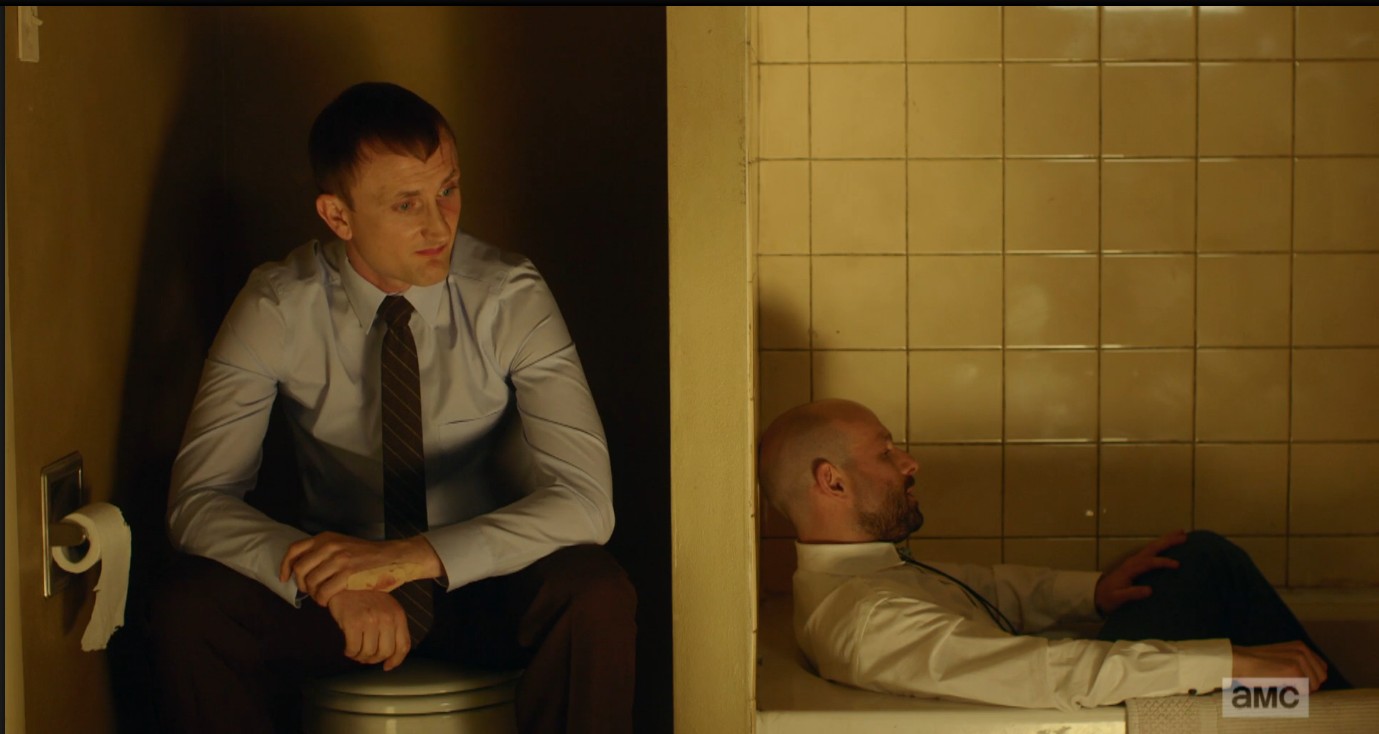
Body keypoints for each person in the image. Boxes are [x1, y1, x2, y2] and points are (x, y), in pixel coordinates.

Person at [152, 82, 635, 734]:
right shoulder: (278, 305)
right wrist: (328, 580)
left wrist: (412, 558)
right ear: (338, 216)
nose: (440, 225)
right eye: (407, 204)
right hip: (339, 594)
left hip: (482, 583)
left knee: (595, 593)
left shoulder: (508, 296)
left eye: (448, 190)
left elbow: (587, 502)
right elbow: (197, 503)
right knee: (190, 610)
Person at [757, 398, 1350, 711]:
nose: (910, 462)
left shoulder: (874, 575)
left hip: (1076, 700)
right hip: (1083, 715)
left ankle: (1325, 711)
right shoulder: (868, 620)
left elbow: (989, 587)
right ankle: (1339, 715)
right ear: (833, 481)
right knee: (1205, 566)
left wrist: (1095, 592)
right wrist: (1223, 664)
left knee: (1198, 568)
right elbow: (1043, 674)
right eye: (886, 453)